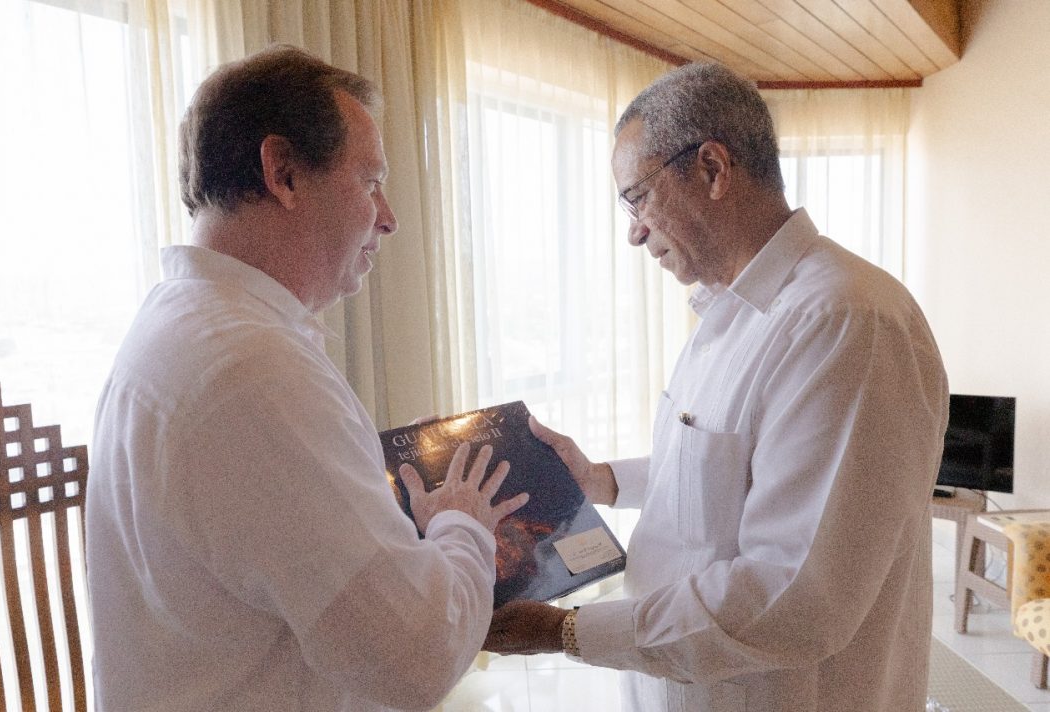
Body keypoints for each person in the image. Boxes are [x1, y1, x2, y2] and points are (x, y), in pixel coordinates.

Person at [485, 61, 949, 711]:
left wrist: (562, 631)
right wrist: (602, 480)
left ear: (711, 169)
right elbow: (727, 467)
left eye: (637, 197)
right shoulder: (734, 312)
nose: (634, 231)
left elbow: (795, 598)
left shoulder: (844, 320)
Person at [86, 44, 527, 712]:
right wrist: (461, 523)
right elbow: (418, 658)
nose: (388, 216)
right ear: (285, 173)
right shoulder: (252, 370)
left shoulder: (175, 322)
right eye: (370, 181)